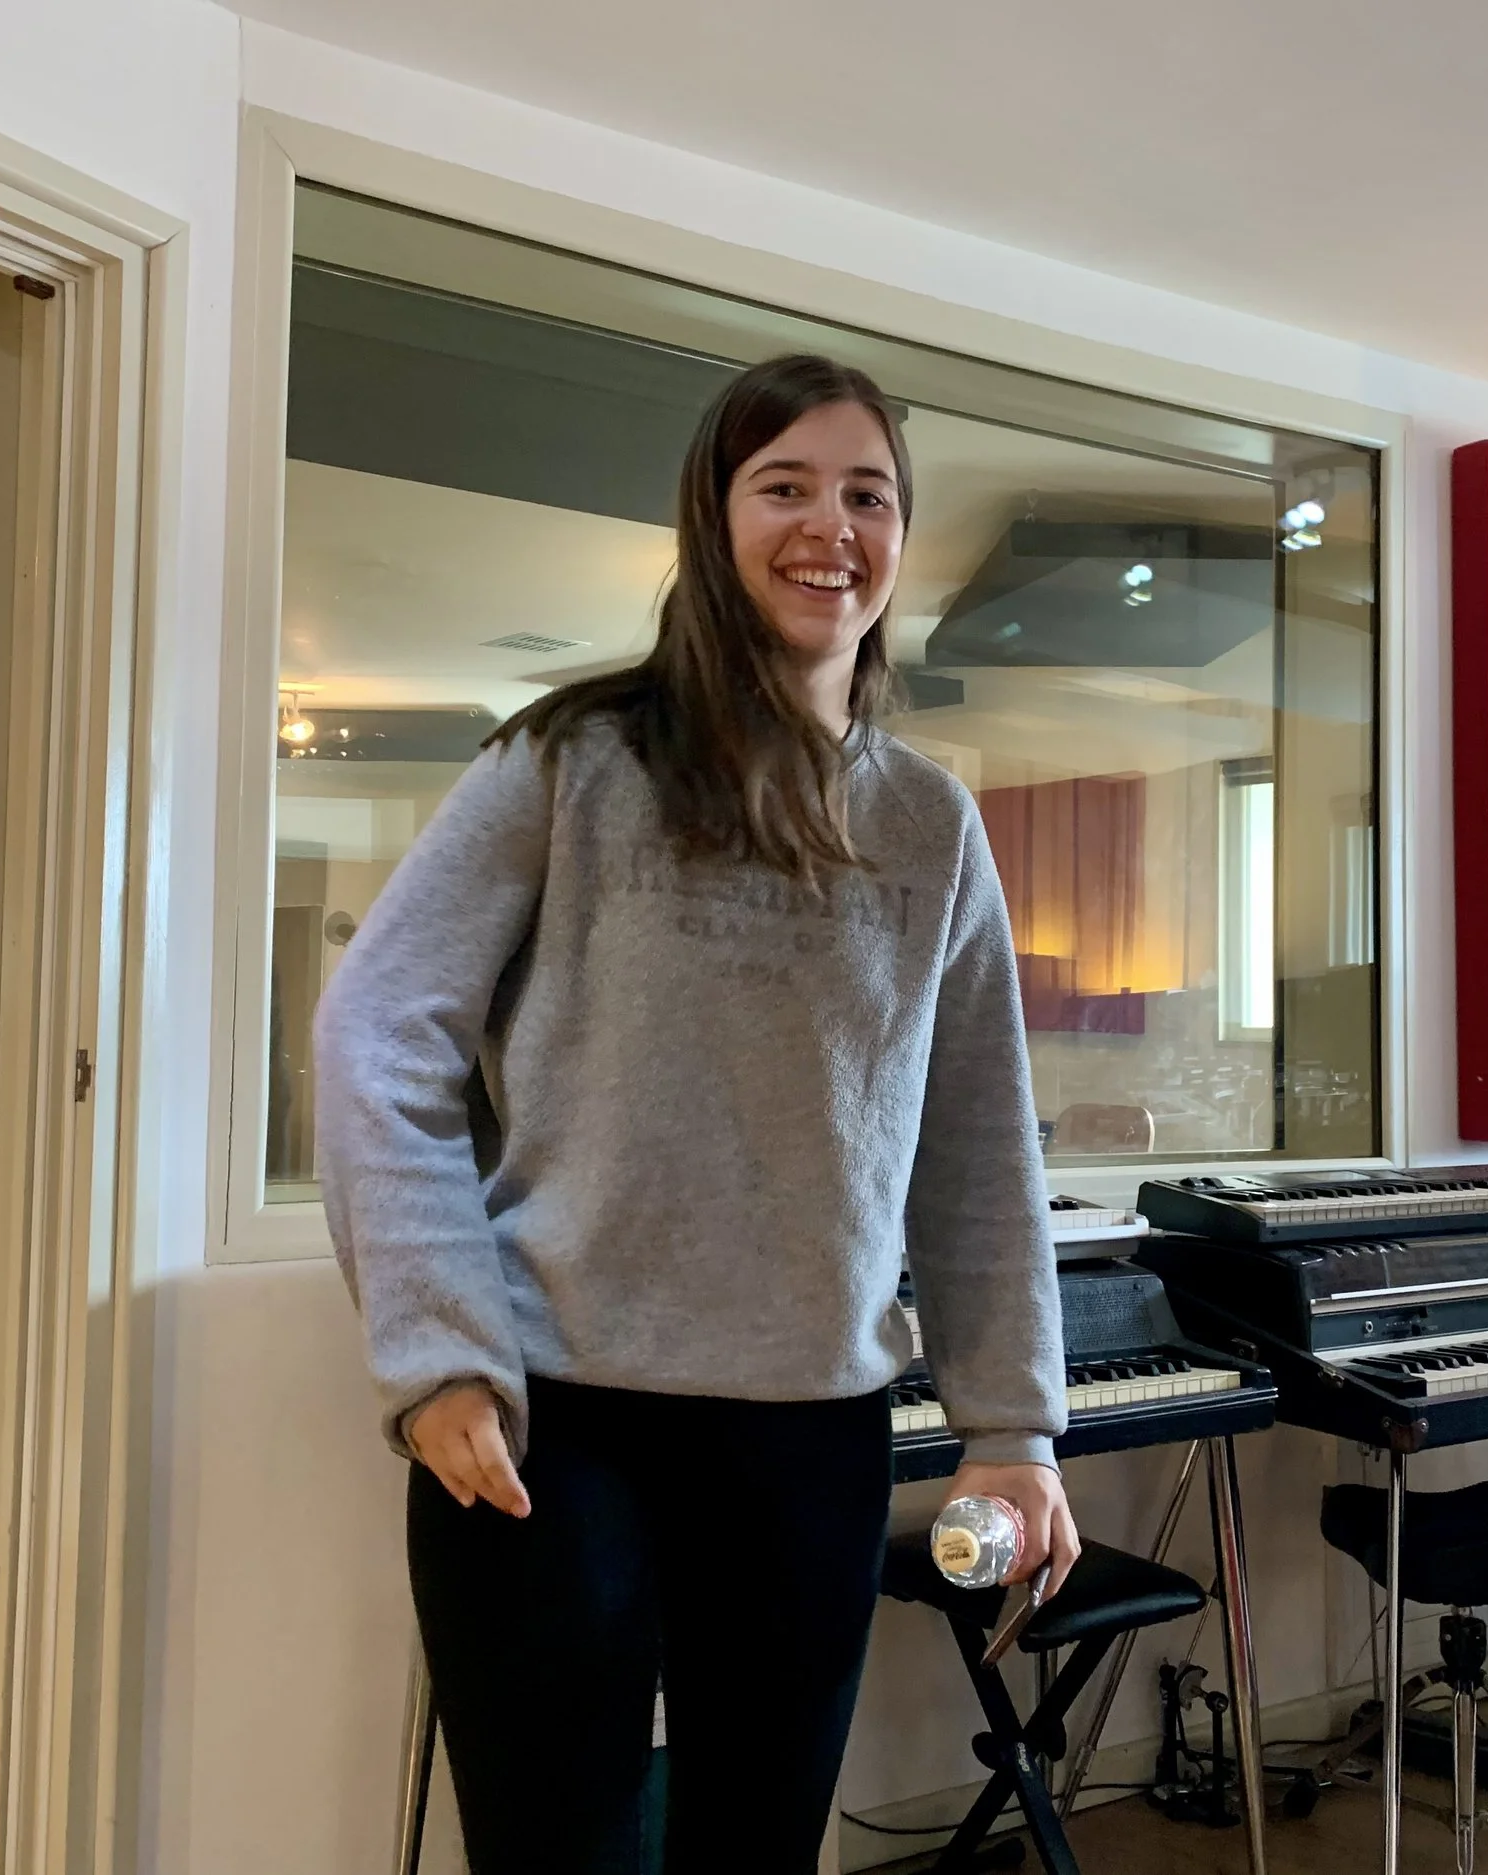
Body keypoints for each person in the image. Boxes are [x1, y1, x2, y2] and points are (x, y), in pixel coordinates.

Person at [316, 352, 1078, 1874]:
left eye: (868, 495)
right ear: (713, 519)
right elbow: (377, 1035)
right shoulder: (571, 759)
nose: (830, 526)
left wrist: (1014, 1426)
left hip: (811, 1432)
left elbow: (978, 1141)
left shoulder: (931, 821)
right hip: (553, 1424)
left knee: (758, 1852)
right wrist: (439, 1348)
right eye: (783, 486)